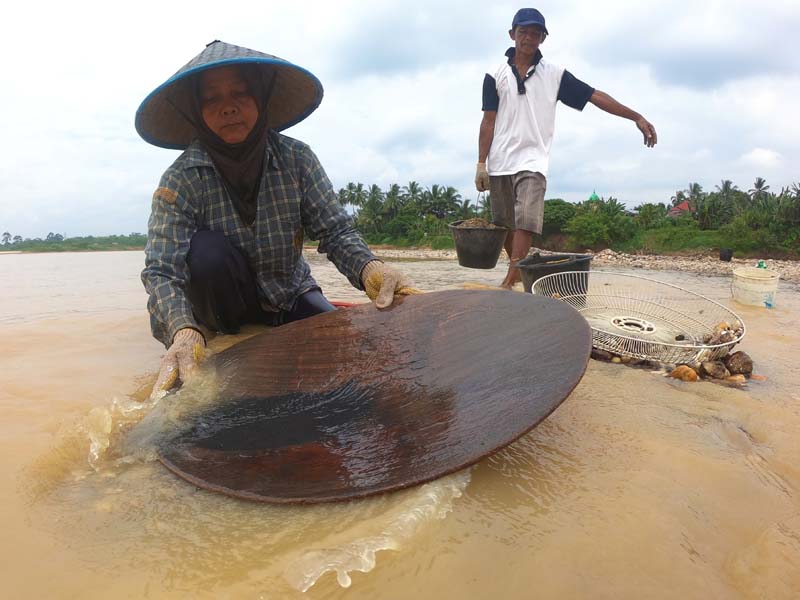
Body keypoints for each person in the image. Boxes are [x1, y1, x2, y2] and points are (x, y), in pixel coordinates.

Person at [136, 41, 418, 395]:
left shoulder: (297, 159)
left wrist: (371, 269)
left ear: (261, 97)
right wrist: (182, 330)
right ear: (196, 111)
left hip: (290, 294)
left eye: (240, 92)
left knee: (355, 356)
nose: (228, 107)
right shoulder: (180, 180)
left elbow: (335, 231)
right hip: (224, 312)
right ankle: (213, 335)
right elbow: (162, 271)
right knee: (206, 252)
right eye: (211, 98)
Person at [475, 8, 657, 289]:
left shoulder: (554, 75)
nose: (529, 38)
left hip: (533, 160)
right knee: (505, 224)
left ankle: (510, 279)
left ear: (543, 39)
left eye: (536, 33)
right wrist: (481, 163)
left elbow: (594, 95)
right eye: (523, 32)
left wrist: (636, 116)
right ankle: (520, 273)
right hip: (500, 162)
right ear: (512, 35)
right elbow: (488, 121)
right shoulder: (494, 75)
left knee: (525, 221)